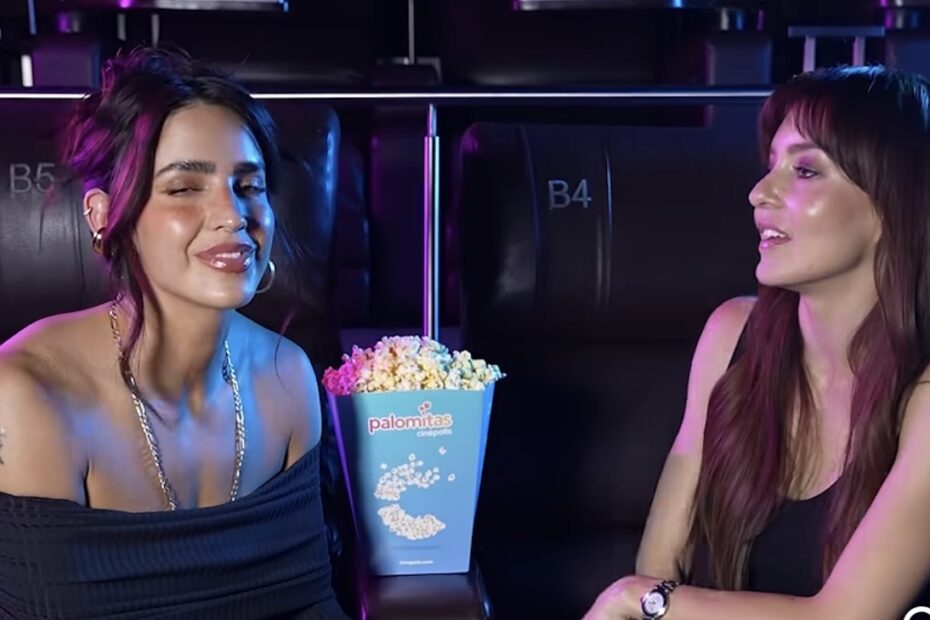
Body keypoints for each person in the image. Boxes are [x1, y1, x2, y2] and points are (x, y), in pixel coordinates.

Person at [0, 47, 349, 619]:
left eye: (249, 185)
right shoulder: (27, 397)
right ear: (103, 216)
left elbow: (313, 603)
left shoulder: (287, 377)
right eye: (185, 188)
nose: (233, 215)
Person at [585, 65, 930, 620]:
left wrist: (638, 600)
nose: (759, 193)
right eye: (770, 165)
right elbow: (660, 565)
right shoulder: (730, 337)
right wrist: (644, 598)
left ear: (892, 204)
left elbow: (844, 618)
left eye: (805, 170)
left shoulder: (923, 396)